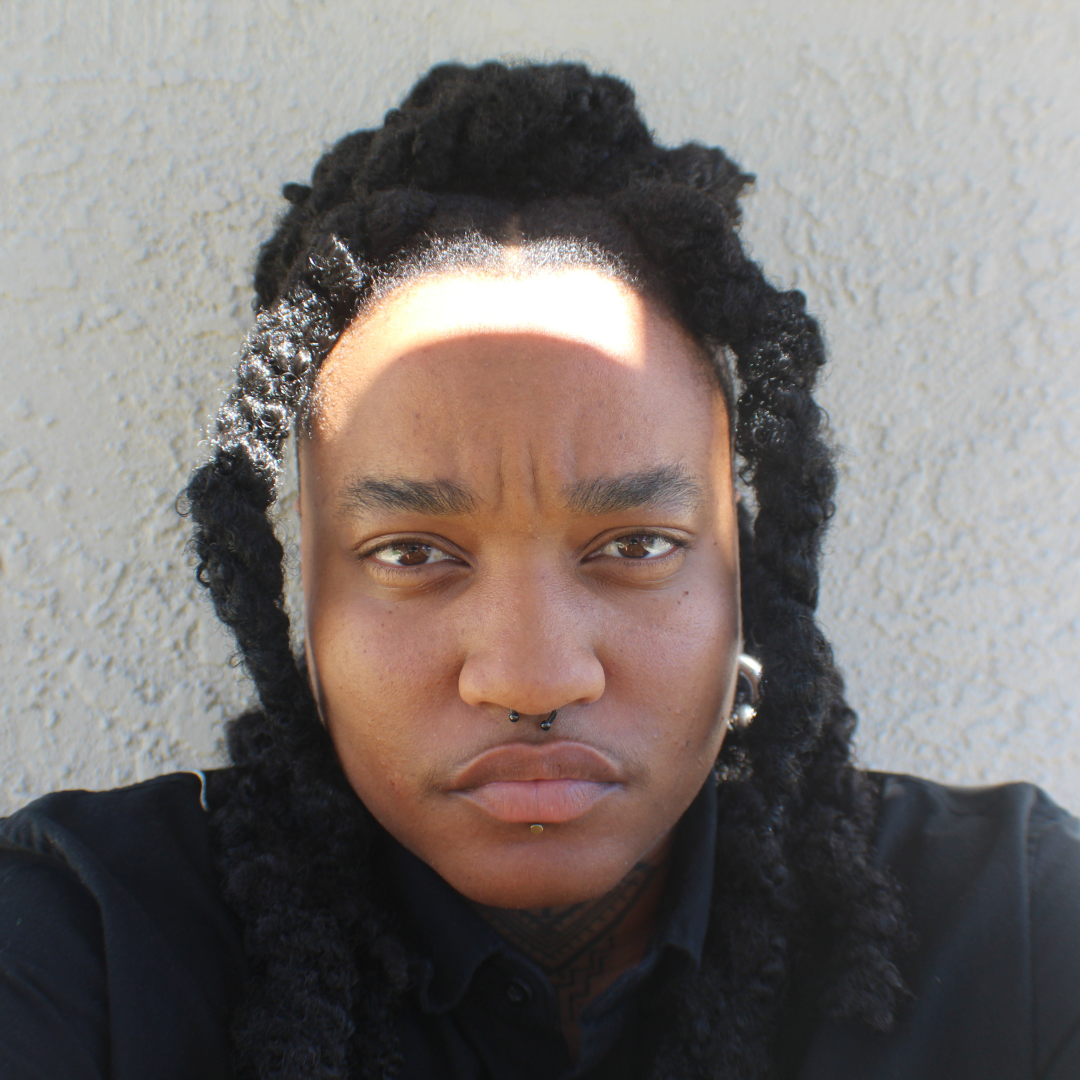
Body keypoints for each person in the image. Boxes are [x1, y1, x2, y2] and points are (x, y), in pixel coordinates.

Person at [0, 61, 1077, 1080]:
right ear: (299, 596)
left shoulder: (1019, 935)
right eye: (412, 553)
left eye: (635, 546)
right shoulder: (78, 941)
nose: (532, 678)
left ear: (745, 575)